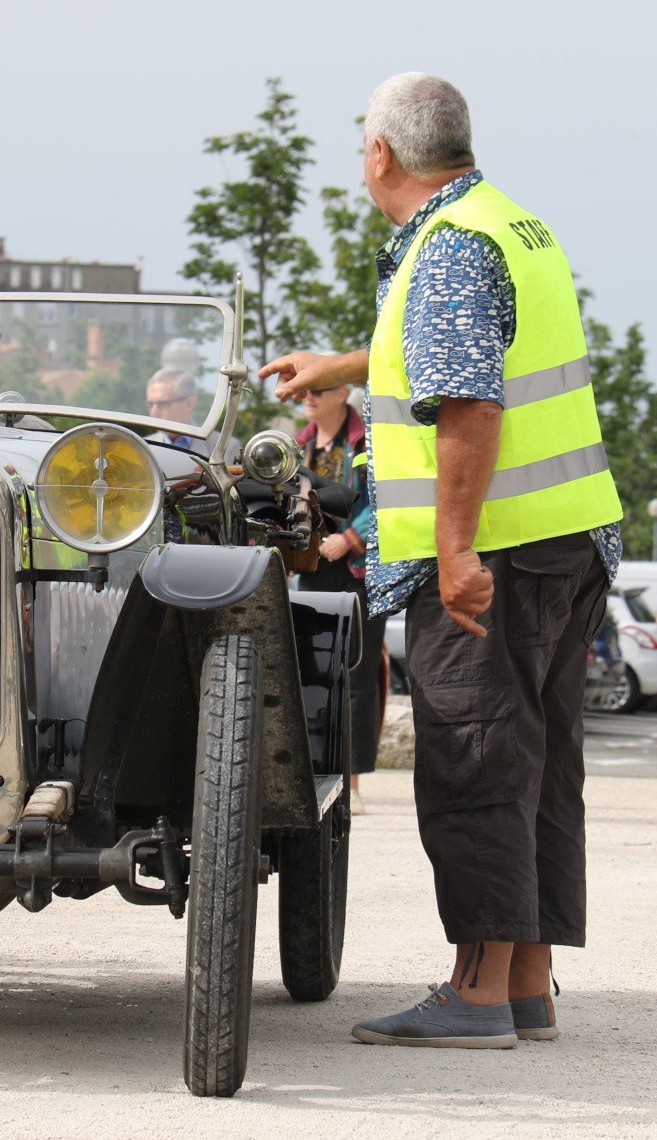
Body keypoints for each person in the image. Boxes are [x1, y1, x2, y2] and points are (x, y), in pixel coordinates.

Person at [260, 73, 623, 1049]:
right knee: (535, 762)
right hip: (565, 536)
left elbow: (467, 404)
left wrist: (454, 551)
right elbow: (460, 355)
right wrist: (338, 369)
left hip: (493, 551)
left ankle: (472, 996)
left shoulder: (446, 248)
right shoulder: (507, 224)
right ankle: (526, 983)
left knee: (471, 760)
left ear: (379, 154)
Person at [294, 384, 382, 815]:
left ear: (343, 392)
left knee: (358, 679)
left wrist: (349, 538)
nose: (308, 395)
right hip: (313, 571)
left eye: (319, 388)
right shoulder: (299, 443)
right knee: (313, 674)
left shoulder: (368, 439)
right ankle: (317, 775)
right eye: (305, 390)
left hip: (358, 573)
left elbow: (383, 499)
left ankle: (355, 782)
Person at [144, 367, 239, 458]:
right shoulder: (142, 448)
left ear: (189, 403)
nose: (154, 412)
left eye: (162, 404)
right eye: (150, 404)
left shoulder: (226, 448)